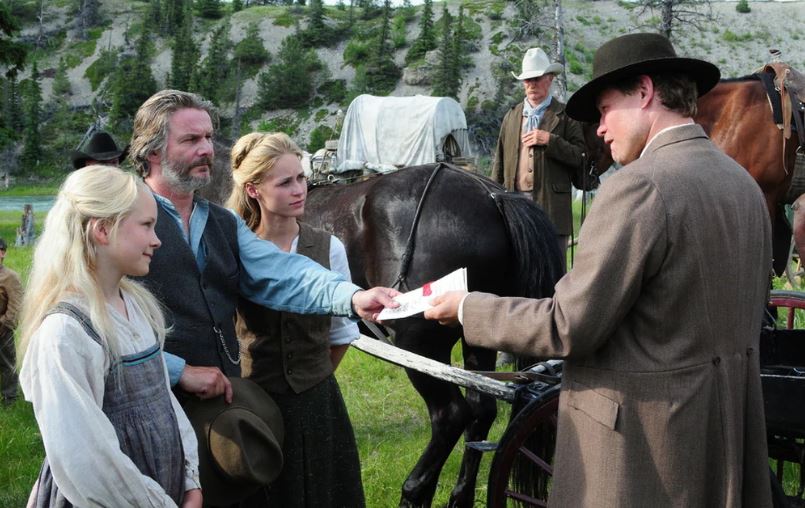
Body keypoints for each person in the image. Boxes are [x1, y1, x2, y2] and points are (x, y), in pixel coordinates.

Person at [425, 33, 773, 506]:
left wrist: (468, 308)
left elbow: (568, 325)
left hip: (646, 458)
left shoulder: (640, 188)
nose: (601, 131)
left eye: (606, 110)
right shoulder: (742, 184)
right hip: (724, 443)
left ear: (645, 92)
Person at [126, 89, 396, 405]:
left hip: (221, 404)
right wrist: (177, 371)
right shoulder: (121, 221)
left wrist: (353, 297)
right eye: (191, 140)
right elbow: (103, 325)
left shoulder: (223, 223)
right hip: (149, 404)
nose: (207, 150)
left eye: (209, 138)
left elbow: (282, 273)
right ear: (153, 151)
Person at [18, 165, 202, 507]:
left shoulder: (134, 305)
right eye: (146, 225)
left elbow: (165, 400)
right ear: (103, 229)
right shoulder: (65, 332)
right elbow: (86, 457)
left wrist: (191, 480)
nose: (156, 239)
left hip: (165, 490)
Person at [227, 132, 364, 507]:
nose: (298, 189)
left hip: (317, 401)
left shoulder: (328, 247)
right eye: (285, 182)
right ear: (254, 190)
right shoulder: (236, 249)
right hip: (256, 401)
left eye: (301, 178)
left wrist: (311, 377)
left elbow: (341, 334)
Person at [491, 47, 586, 270]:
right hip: (516, 205)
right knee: (518, 267)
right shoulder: (512, 115)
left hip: (552, 207)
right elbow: (499, 161)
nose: (532, 84)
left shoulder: (566, 115)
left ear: (550, 79)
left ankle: (556, 306)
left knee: (553, 269)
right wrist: (494, 197)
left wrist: (550, 140)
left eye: (537, 78)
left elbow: (580, 157)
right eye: (527, 80)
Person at [0, 237, 22, 406]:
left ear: (3, 253)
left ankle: (10, 397)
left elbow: (16, 305)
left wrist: (5, 324)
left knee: (7, 363)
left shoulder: (10, 277)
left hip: (2, 329)